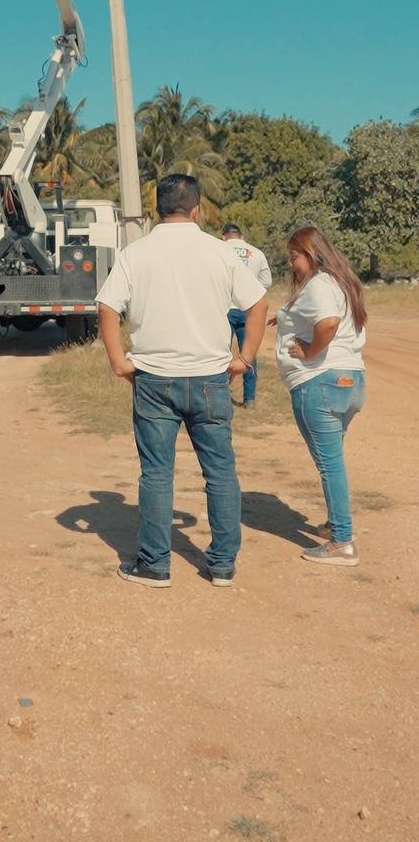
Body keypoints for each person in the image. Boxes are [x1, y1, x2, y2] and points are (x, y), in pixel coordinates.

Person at [96, 174, 268, 589]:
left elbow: (106, 306)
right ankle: (222, 564)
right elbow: (259, 303)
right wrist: (245, 358)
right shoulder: (220, 252)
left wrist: (118, 361)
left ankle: (155, 565)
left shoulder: (135, 253)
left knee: (157, 474)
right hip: (210, 378)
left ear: (157, 209)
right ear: (197, 209)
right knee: (220, 472)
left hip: (154, 380)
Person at [273, 226, 367, 567]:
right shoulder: (342, 282)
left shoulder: (319, 284)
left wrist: (310, 351)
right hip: (350, 381)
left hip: (319, 383)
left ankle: (342, 542)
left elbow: (327, 322)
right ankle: (335, 522)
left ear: (311, 254)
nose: (291, 263)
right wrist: (284, 319)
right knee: (332, 459)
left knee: (329, 464)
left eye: (294, 256)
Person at [221, 223, 272, 408]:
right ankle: (249, 398)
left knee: (221, 352)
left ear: (223, 236)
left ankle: (221, 394)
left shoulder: (219, 250)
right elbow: (267, 281)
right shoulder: (256, 253)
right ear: (241, 236)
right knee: (248, 354)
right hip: (248, 310)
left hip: (225, 308)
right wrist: (251, 293)